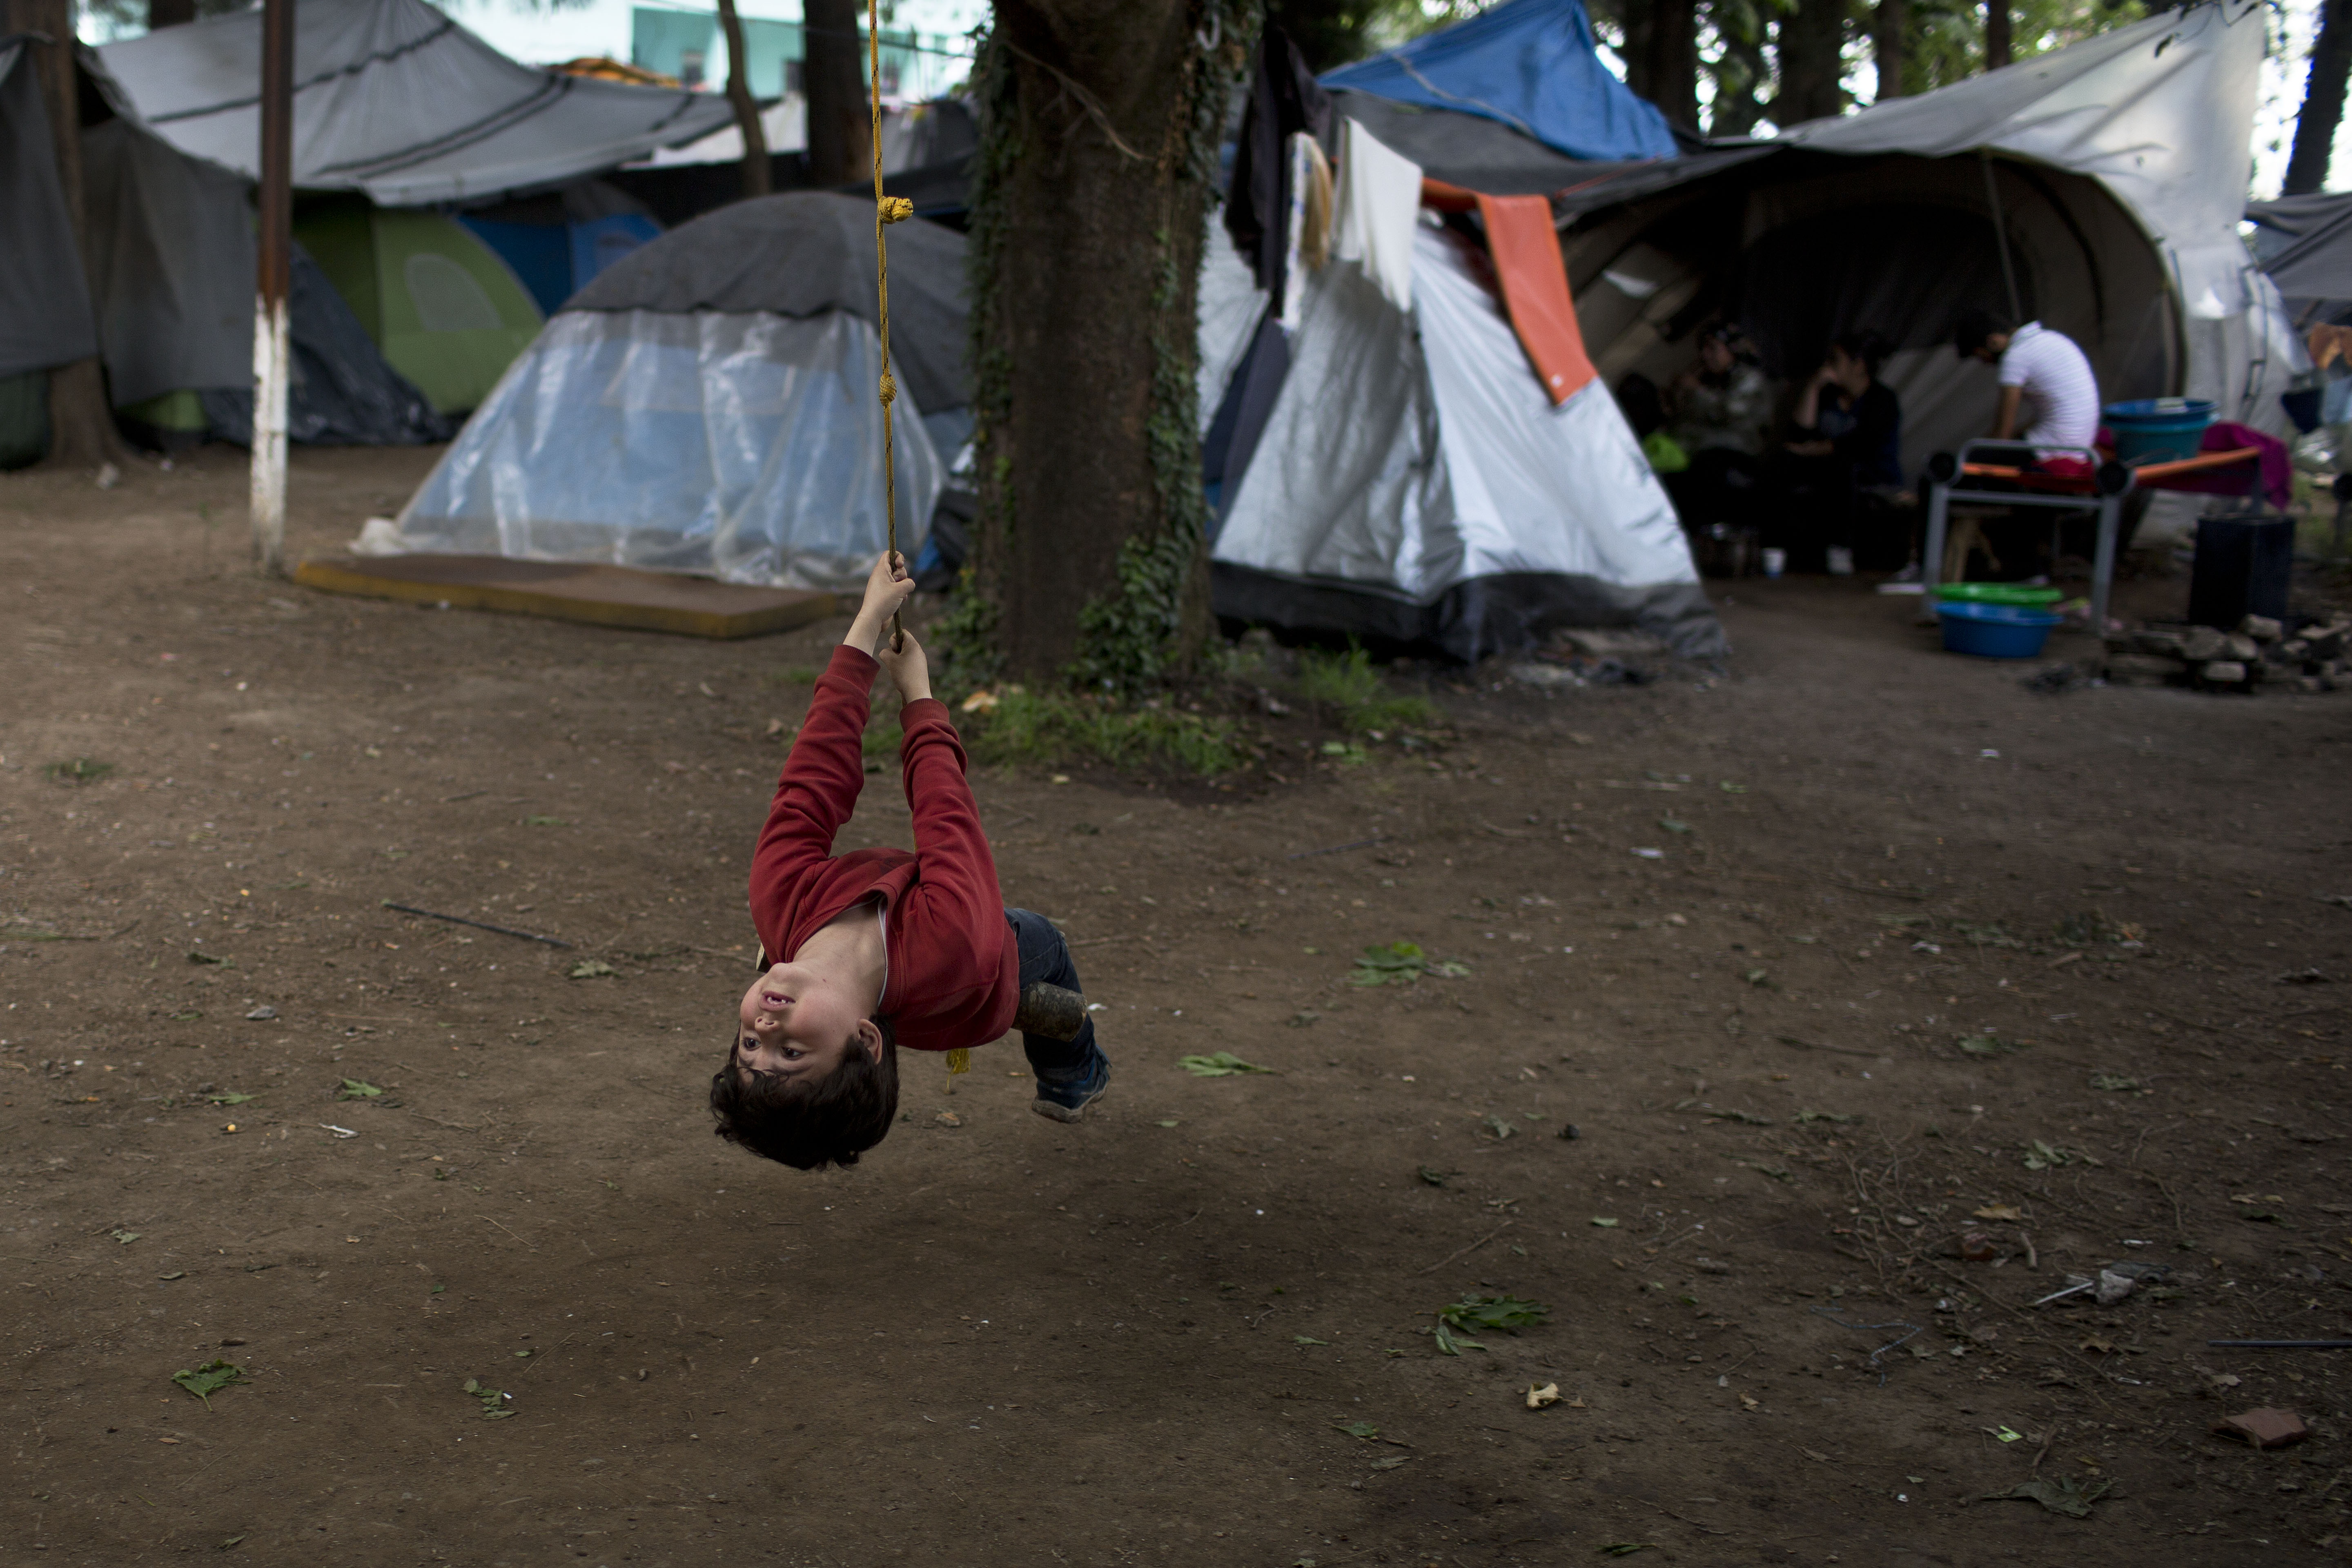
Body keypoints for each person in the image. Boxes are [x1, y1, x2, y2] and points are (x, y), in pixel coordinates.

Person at [710, 552, 1111, 1170]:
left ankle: (1069, 1070)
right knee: (1047, 949)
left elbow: (812, 782)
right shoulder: (955, 941)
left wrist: (867, 624)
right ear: (866, 1039)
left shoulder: (779, 904)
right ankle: (1074, 1074)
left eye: (748, 1047)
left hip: (901, 946)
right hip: (976, 983)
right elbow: (946, 816)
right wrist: (918, 697)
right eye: (790, 1055)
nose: (764, 1030)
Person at [1771, 330, 1906, 574]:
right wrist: (1813, 388)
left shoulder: (1881, 399)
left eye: (1835, 360)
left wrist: (1815, 450)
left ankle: (1840, 550)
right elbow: (1799, 435)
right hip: (1825, 469)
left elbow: (1862, 445)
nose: (1828, 366)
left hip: (1871, 474)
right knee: (1784, 462)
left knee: (1842, 467)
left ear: (1859, 365)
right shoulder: (1829, 396)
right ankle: (1776, 551)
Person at [1953, 307, 2099, 469]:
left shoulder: (2015, 358)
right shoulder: (2052, 338)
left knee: (1970, 461)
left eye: (1982, 357)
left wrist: (1976, 447)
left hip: (2052, 450)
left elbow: (2002, 435)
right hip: (2081, 447)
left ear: (1993, 342)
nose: (1986, 364)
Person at [1660, 325, 1774, 531]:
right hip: (1697, 454)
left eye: (1713, 348)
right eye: (1703, 349)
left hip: (1733, 456)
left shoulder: (1748, 378)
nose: (1706, 355)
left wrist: (1697, 391)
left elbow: (1730, 412)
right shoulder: (1710, 380)